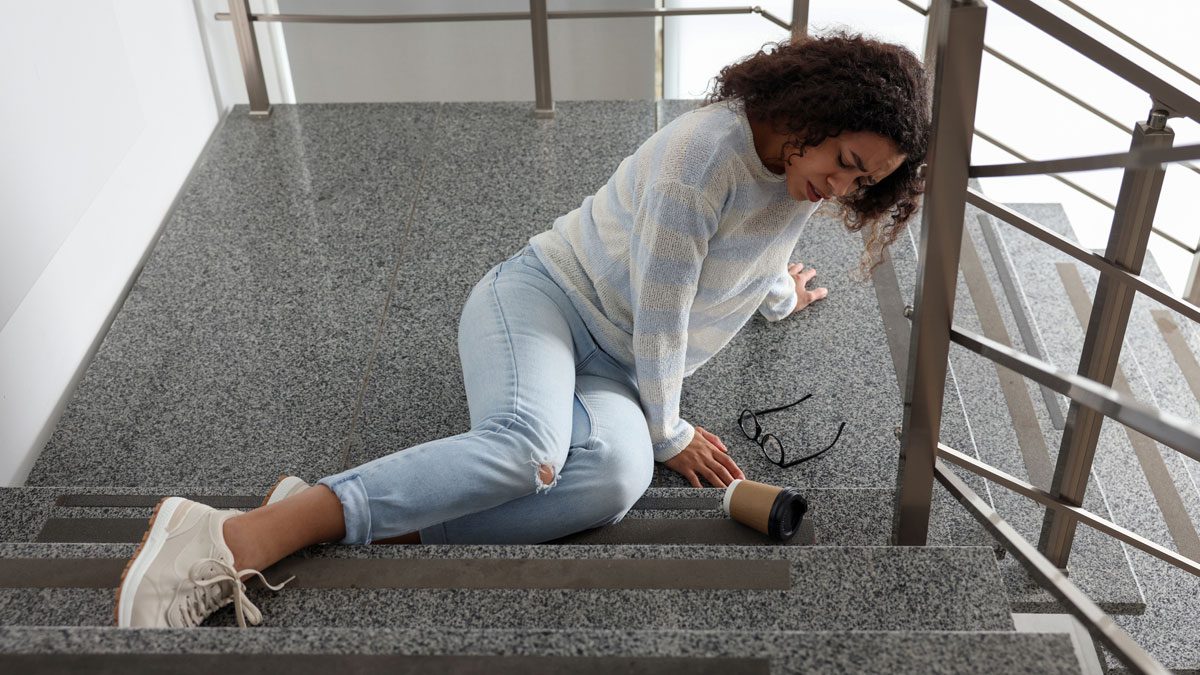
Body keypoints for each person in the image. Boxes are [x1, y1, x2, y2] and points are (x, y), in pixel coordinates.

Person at [114, 31, 930, 629]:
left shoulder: (796, 179)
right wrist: (673, 429)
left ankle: (346, 512)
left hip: (616, 369)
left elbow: (747, 262)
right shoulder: (705, 157)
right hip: (540, 302)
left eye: (867, 182)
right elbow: (663, 307)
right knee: (526, 448)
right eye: (849, 162)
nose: (840, 191)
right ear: (815, 114)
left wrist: (781, 296)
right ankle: (237, 532)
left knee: (615, 481)